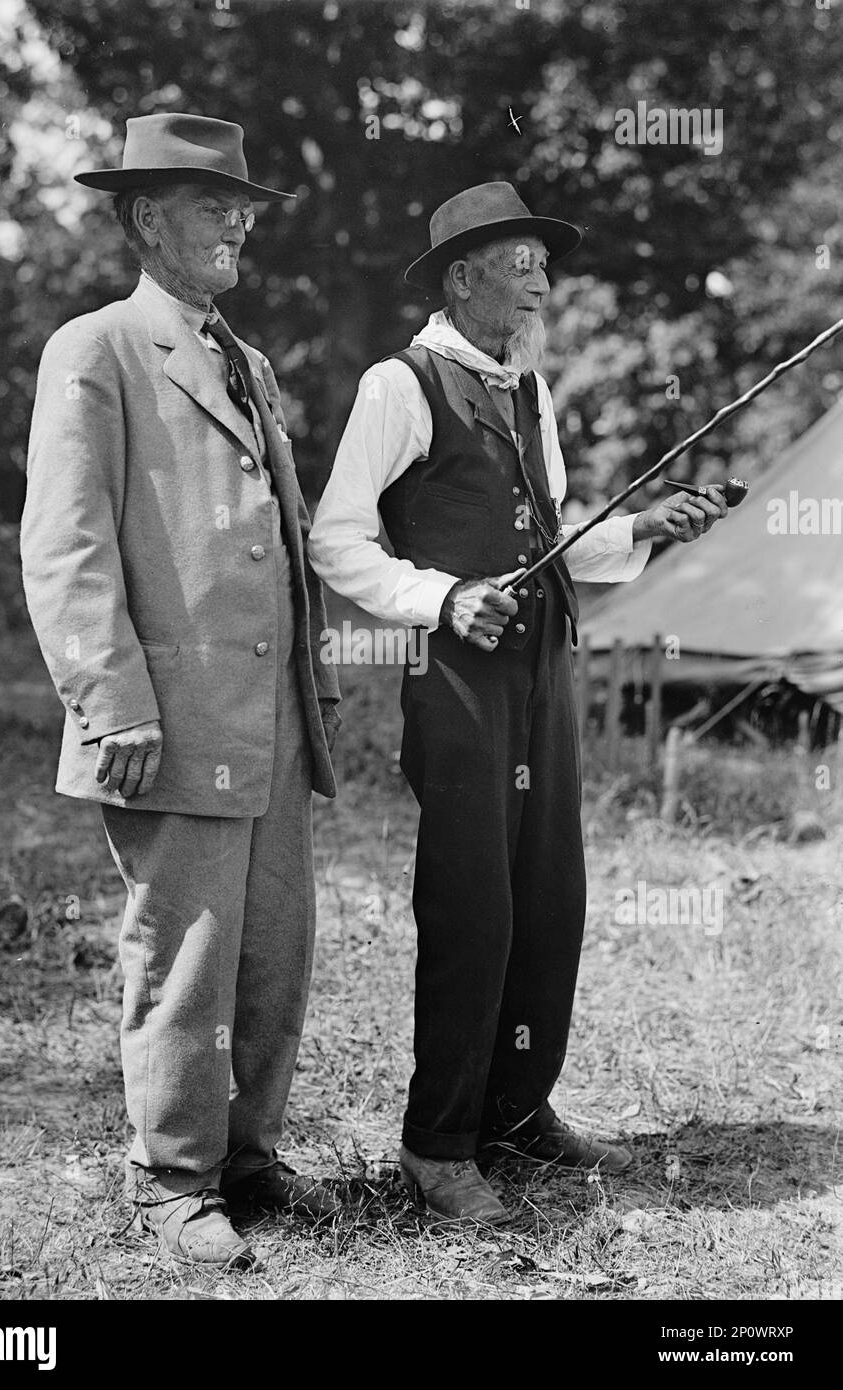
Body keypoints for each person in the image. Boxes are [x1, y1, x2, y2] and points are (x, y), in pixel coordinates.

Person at [309, 182, 727, 1226]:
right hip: (455, 682)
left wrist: (643, 529)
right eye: (520, 261)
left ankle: (514, 1108)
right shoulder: (396, 386)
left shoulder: (527, 388)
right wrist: (441, 599)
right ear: (461, 277)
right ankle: (437, 1144)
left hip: (544, 670)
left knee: (549, 901)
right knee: (473, 909)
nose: (540, 278)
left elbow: (546, 535)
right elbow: (335, 539)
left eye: (543, 260)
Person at [21, 114, 341, 1267]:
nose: (238, 220)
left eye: (243, 203)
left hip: (271, 728)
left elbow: (280, 549)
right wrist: (114, 703)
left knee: (270, 949)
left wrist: (312, 703)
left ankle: (247, 1159)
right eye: (214, 203)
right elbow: (65, 548)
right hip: (164, 723)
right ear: (146, 217)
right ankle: (171, 1181)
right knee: (186, 954)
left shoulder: (244, 363)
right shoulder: (95, 348)